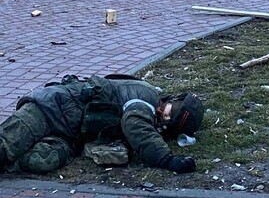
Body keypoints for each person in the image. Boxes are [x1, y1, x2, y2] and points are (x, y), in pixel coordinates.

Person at [0, 74, 204, 175]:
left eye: (171, 120)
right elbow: (136, 125)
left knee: (43, 160)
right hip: (49, 108)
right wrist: (167, 160)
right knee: (6, 145)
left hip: (69, 135)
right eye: (170, 111)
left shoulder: (150, 107)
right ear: (171, 100)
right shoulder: (144, 98)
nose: (165, 118)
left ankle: (8, 164)